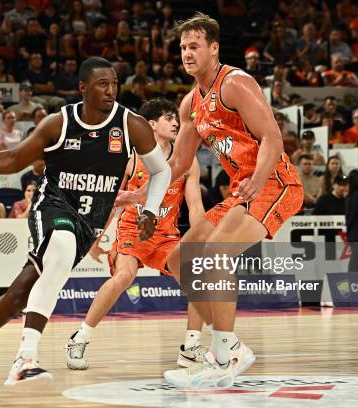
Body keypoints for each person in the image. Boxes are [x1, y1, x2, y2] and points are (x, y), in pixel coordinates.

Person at [0, 57, 169, 387]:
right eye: (102, 84)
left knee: (19, 295)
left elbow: (161, 170)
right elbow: (13, 158)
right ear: (83, 88)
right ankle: (25, 358)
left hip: (89, 223)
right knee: (61, 248)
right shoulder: (58, 123)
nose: (111, 90)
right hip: (51, 205)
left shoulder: (130, 125)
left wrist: (151, 210)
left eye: (113, 83)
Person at [118, 13, 303, 389]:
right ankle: (226, 344)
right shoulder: (189, 104)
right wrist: (142, 193)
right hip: (241, 189)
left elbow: (272, 137)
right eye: (183, 47)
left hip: (275, 182)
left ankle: (225, 353)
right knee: (178, 257)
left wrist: (260, 177)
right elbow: (180, 164)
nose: (187, 53)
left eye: (195, 46)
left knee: (215, 252)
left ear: (214, 49)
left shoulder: (235, 84)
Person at [66, 98, 206, 370]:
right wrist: (96, 239)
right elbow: (110, 201)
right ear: (151, 125)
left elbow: (196, 207)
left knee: (197, 276)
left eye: (176, 118)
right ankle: (79, 337)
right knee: (125, 276)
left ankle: (191, 346)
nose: (176, 122)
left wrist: (202, 238)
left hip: (166, 236)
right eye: (168, 118)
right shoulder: (130, 159)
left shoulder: (187, 162)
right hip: (132, 231)